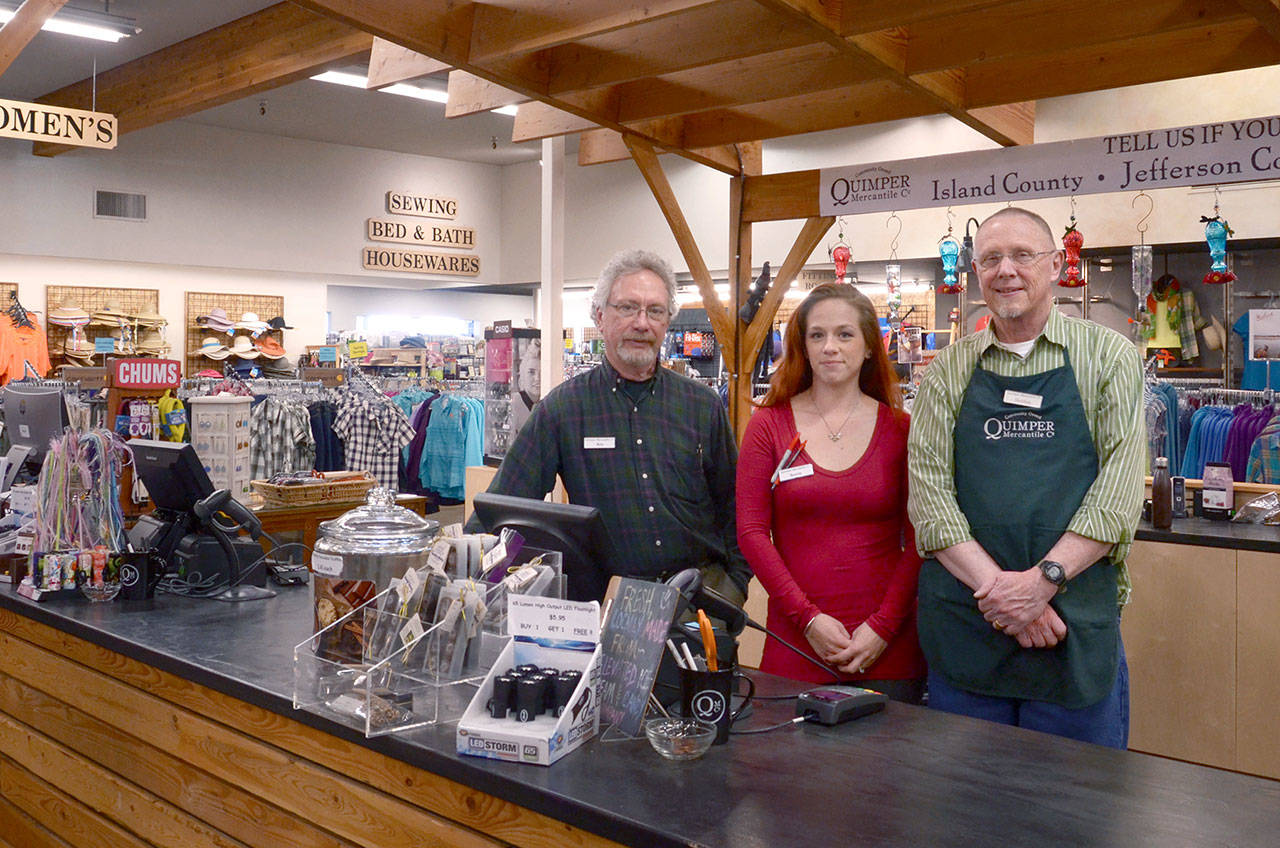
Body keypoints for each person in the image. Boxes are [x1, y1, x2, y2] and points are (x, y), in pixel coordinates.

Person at [907, 207, 1145, 748]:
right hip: (971, 623)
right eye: (990, 259)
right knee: (966, 818)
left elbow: (1118, 492)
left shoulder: (1108, 356)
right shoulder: (947, 370)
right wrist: (1005, 596)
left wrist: (1041, 585)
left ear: (1056, 265)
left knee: (1072, 817)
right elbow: (929, 498)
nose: (1005, 270)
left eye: (1022, 255)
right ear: (975, 273)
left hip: (1071, 626)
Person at [473, 249, 750, 603]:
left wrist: (734, 587)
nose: (641, 322)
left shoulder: (702, 406)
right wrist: (465, 569)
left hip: (697, 605)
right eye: (627, 307)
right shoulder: (564, 409)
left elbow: (736, 508)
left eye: (655, 311)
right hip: (607, 607)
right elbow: (503, 508)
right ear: (600, 317)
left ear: (667, 322)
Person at [737, 283, 925, 704]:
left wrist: (883, 627)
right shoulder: (768, 425)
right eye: (817, 335)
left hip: (888, 649)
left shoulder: (901, 429)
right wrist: (807, 620)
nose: (830, 347)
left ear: (870, 346)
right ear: (802, 346)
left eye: (845, 334)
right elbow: (750, 531)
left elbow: (920, 540)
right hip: (796, 644)